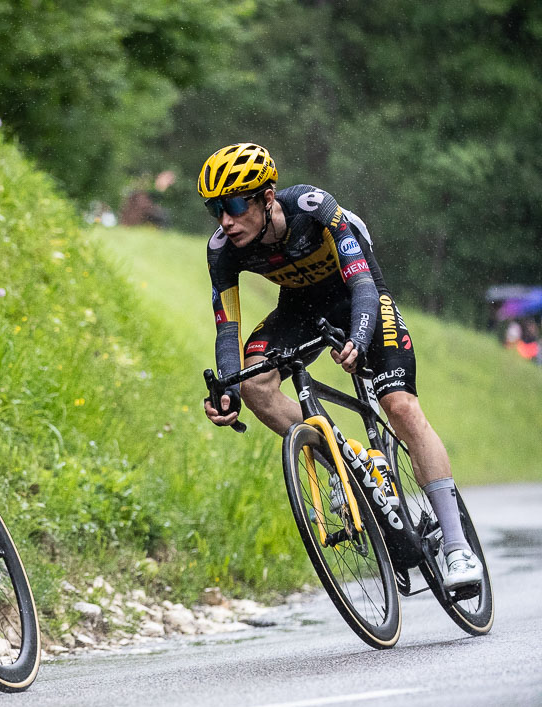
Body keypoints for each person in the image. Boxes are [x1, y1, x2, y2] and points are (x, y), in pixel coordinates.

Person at [196, 143, 483, 589]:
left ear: (267, 196)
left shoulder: (313, 208)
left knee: (400, 406)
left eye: (234, 204)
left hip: (359, 295)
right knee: (255, 386)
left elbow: (364, 283)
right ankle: (343, 461)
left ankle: (457, 547)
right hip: (300, 307)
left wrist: (359, 338)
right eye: (216, 209)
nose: (225, 220)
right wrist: (228, 391)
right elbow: (226, 331)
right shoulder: (223, 250)